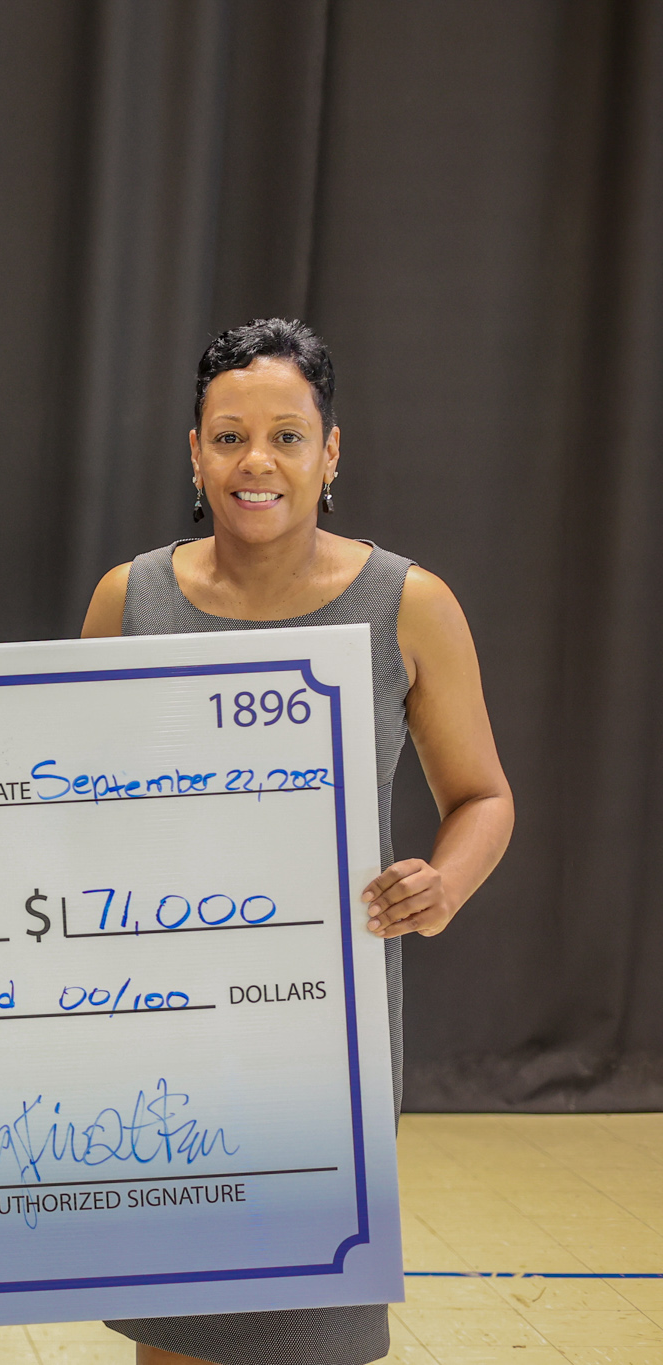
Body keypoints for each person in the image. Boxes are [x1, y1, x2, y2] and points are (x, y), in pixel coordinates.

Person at [81, 318, 514, 1365]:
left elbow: (483, 797)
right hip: (166, 1034)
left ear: (330, 452)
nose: (257, 462)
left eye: (286, 435)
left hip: (321, 1044)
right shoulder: (128, 600)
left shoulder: (406, 605)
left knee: (308, 1331)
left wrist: (443, 884)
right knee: (177, 1338)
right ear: (194, 453)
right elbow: (68, 805)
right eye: (230, 437)